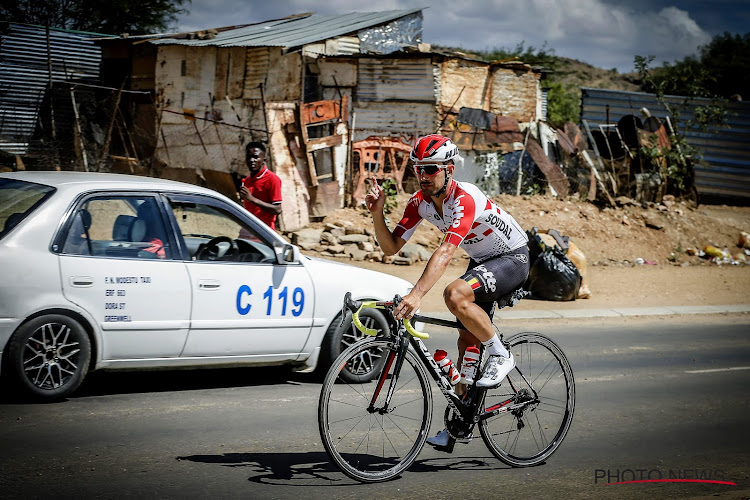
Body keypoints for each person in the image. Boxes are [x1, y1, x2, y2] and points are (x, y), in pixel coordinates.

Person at [365, 134, 530, 448]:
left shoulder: (464, 198)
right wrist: (377, 214)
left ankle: (502, 353)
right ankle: (462, 422)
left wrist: (416, 296)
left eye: (431, 169)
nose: (423, 176)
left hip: (512, 258)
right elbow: (390, 248)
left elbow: (445, 252)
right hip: (483, 261)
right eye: (418, 169)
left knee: (454, 294)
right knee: (466, 346)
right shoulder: (419, 203)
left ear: (449, 170)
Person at [239, 141, 282, 230]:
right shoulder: (248, 180)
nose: (251, 160)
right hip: (248, 229)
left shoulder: (272, 179)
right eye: (249, 157)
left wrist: (251, 199)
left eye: (255, 157)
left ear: (264, 159)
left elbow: (277, 209)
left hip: (264, 231)